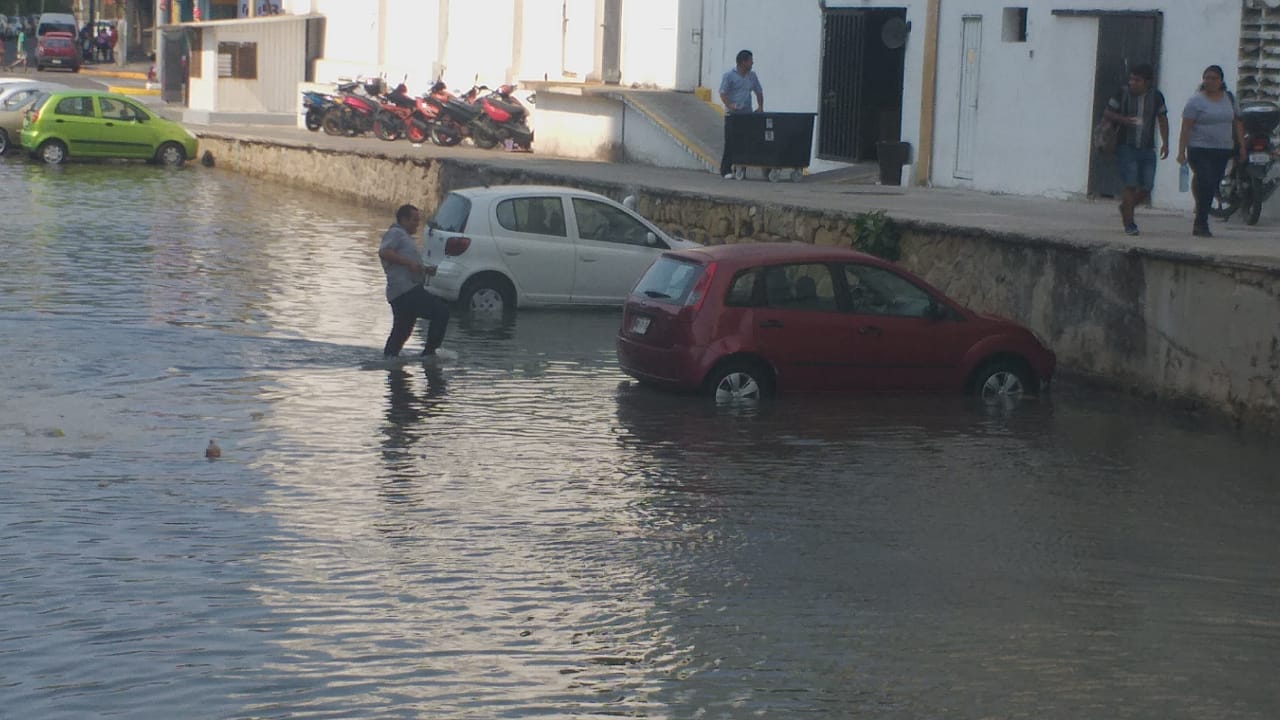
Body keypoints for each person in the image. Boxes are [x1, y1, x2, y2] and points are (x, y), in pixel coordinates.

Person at [1177, 65, 1246, 237]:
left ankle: (1201, 214)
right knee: (1206, 181)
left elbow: (1237, 122)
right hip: (1199, 149)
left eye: (1213, 78)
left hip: (1222, 149)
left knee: (1213, 184)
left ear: (1221, 81)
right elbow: (1186, 128)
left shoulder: (1229, 99)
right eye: (1206, 78)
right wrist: (1181, 151)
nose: (1210, 81)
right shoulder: (1196, 101)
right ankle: (1201, 222)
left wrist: (1242, 145)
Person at [1103, 64, 1168, 236]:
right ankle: (1130, 223)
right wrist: (1124, 119)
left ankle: (1126, 207)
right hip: (1126, 146)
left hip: (1147, 147)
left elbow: (1162, 118)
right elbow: (1108, 113)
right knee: (1131, 184)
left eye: (1137, 80)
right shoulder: (1122, 94)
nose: (1133, 83)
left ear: (1147, 82)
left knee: (1147, 187)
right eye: (1131, 79)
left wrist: (1165, 142)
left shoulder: (1156, 97)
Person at [378, 204, 450, 358]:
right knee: (441, 311)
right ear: (404, 219)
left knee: (402, 332)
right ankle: (429, 354)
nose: (418, 224)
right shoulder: (396, 233)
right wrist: (408, 263)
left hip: (401, 292)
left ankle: (390, 361)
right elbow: (384, 252)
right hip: (405, 291)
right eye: (415, 220)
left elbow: (408, 264)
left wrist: (425, 269)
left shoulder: (404, 237)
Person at [718, 49, 764, 179]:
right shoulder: (729, 76)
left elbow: (759, 91)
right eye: (750, 60)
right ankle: (726, 169)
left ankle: (741, 169)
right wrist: (730, 105)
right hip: (733, 115)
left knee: (745, 142)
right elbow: (722, 93)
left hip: (747, 114)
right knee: (731, 142)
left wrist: (760, 106)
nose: (752, 63)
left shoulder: (752, 76)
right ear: (743, 62)